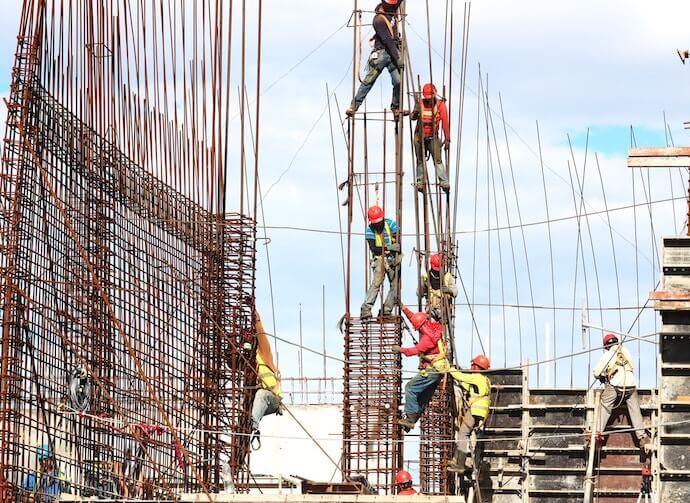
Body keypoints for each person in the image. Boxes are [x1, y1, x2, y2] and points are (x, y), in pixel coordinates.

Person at [592, 333, 651, 452]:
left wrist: (602, 378)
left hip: (615, 386)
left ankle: (598, 433)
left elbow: (596, 372)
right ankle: (641, 436)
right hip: (630, 386)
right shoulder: (626, 352)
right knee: (635, 410)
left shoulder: (607, 355)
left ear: (606, 346)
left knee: (605, 406)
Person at [393, 307, 449, 431]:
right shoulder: (436, 327)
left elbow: (414, 351)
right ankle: (411, 420)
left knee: (410, 388)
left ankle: (410, 418)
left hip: (432, 370)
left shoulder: (427, 339)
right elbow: (416, 319)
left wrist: (400, 349)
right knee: (423, 397)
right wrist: (404, 308)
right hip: (439, 371)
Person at [346, 1, 404, 117]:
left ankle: (395, 107)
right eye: (390, 5)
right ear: (384, 5)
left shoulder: (391, 9)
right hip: (382, 53)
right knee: (369, 81)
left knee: (398, 82)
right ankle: (354, 106)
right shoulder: (378, 20)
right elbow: (388, 40)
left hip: (392, 53)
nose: (393, 7)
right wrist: (397, 58)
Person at [447, 355, 491, 473]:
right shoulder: (485, 380)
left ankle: (460, 464)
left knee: (463, 434)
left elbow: (460, 376)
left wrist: (449, 368)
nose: (471, 366)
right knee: (465, 433)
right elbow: (469, 386)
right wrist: (459, 382)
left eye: (473, 364)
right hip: (480, 412)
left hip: (475, 410)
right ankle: (456, 459)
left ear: (477, 367)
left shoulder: (477, 377)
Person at [250, 312, 283, 450]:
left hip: (272, 399)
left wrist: (255, 317)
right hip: (258, 403)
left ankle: (253, 423)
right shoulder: (248, 361)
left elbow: (261, 333)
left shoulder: (263, 353)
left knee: (262, 394)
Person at [361, 205, 401, 319]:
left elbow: (398, 241)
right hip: (379, 258)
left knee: (396, 286)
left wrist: (396, 250)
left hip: (392, 258)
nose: (377, 225)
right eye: (375, 223)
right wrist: (389, 247)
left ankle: (386, 310)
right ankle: (366, 308)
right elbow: (374, 249)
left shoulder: (391, 224)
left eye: (379, 222)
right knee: (377, 283)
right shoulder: (370, 230)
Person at [410, 83, 451, 192]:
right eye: (427, 98)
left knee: (438, 160)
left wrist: (447, 139)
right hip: (420, 137)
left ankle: (443, 181)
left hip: (433, 137)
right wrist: (414, 113)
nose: (428, 100)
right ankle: (420, 182)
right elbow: (413, 118)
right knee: (420, 160)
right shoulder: (420, 103)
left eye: (430, 98)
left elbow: (445, 123)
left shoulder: (440, 105)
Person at [418, 253, 457, 322]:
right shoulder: (426, 277)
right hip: (431, 309)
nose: (437, 271)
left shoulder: (448, 276)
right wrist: (422, 287)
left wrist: (449, 290)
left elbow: (455, 292)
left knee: (443, 330)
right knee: (431, 328)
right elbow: (419, 294)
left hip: (443, 311)